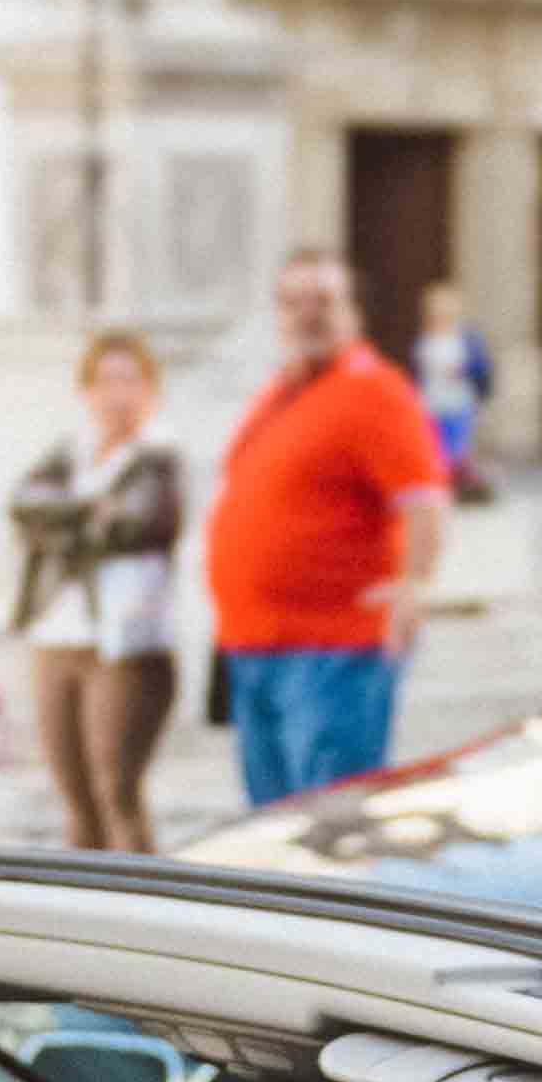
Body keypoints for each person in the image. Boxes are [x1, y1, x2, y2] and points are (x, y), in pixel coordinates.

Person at [201, 245, 454, 806]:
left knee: (328, 825)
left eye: (324, 300)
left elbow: (424, 499)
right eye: (293, 302)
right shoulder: (285, 391)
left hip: (332, 650)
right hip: (255, 645)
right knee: (272, 832)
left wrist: (415, 585)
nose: (307, 314)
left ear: (354, 311)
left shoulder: (373, 389)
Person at [2, 327, 197, 855]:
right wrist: (88, 512)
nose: (118, 394)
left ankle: (145, 911)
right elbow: (23, 505)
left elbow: (134, 523)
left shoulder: (160, 458)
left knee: (117, 789)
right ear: (86, 390)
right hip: (58, 634)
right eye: (106, 380)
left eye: (130, 380)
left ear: (151, 389)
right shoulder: (71, 454)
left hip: (127, 642)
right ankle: (84, 917)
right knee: (76, 797)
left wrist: (64, 521)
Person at [407, 279, 495, 488]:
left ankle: (456, 483)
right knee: (434, 448)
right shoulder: (424, 340)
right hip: (430, 403)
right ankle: (439, 482)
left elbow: (481, 368)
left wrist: (464, 373)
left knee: (456, 448)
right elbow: (418, 373)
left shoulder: (467, 339)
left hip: (458, 402)